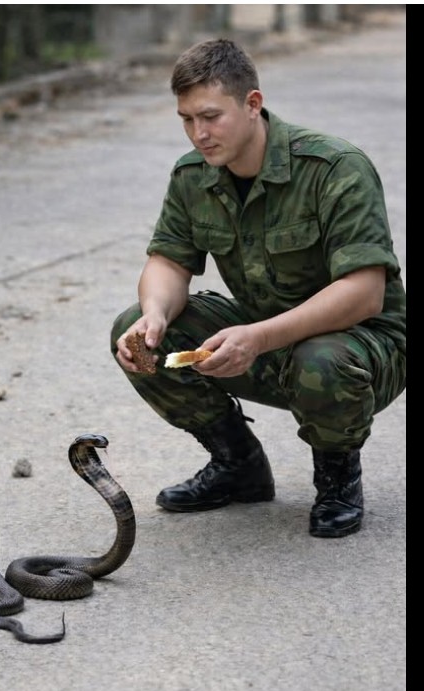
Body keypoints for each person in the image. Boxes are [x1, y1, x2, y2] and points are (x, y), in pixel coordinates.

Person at [111, 38, 406, 538]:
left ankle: (337, 477)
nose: (198, 134)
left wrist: (258, 337)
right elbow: (168, 261)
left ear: (253, 104)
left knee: (321, 359)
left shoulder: (334, 168)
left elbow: (364, 293)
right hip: (263, 338)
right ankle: (237, 464)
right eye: (186, 119)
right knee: (135, 331)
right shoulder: (192, 176)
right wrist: (155, 314)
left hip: (362, 349)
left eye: (210, 116)